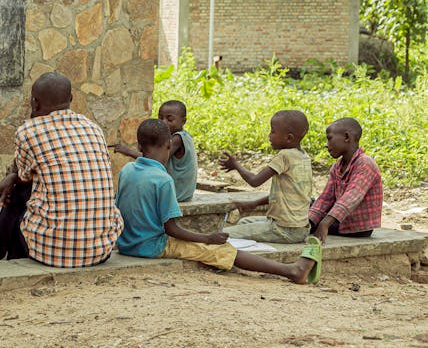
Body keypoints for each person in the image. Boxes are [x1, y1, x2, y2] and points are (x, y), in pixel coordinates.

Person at [117, 119, 321, 284]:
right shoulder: (163, 180)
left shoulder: (127, 170)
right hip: (151, 247)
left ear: (139, 146)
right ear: (169, 145)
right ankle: (291, 271)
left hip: (126, 243)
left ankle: (291, 270)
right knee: (221, 249)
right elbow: (171, 229)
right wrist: (207, 238)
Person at [0, 72, 122, 268]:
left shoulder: (28, 132)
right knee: (29, 195)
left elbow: (24, 178)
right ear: (71, 99)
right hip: (100, 250)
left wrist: (11, 177)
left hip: (52, 253)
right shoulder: (94, 129)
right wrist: (14, 177)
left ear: (35, 103)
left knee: (19, 194)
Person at [219, 110, 313, 243]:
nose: (269, 135)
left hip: (283, 230)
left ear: (289, 138)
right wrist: (254, 203)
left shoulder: (284, 156)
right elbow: (289, 195)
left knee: (224, 233)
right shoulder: (304, 157)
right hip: (300, 228)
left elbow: (254, 181)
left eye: (273, 131)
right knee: (244, 221)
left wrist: (236, 165)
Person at [308, 118, 382, 243]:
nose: (326, 144)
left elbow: (350, 198)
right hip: (338, 220)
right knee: (304, 205)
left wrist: (324, 224)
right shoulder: (337, 167)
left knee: (297, 217)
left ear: (347, 137)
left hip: (356, 227)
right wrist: (309, 221)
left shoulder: (365, 163)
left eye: (329, 138)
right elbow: (325, 198)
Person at [113, 100, 197, 201]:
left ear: (183, 121)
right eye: (160, 118)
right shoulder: (180, 136)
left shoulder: (178, 138)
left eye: (169, 119)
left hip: (177, 193)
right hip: (183, 193)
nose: (164, 122)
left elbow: (153, 160)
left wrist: (128, 151)